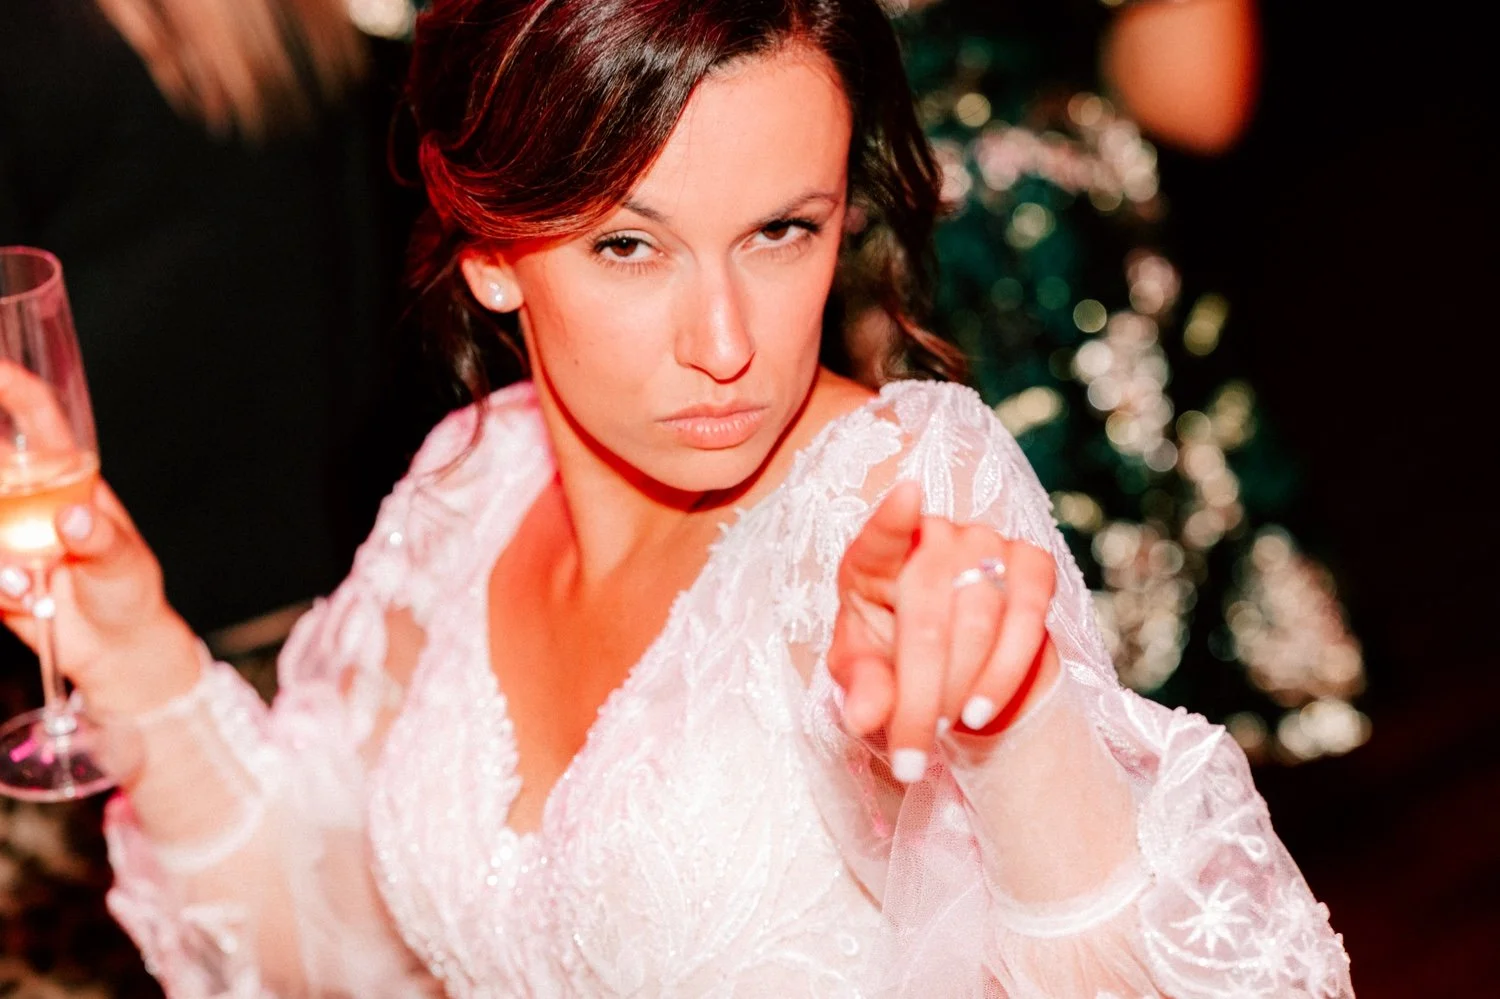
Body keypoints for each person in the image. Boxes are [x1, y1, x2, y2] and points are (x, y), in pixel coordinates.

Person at [0, 0, 1353, 995]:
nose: (726, 340)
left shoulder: (893, 501)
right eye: (631, 245)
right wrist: (130, 642)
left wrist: (1019, 738)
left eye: (783, 230)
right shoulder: (470, 486)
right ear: (489, 253)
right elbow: (319, 938)